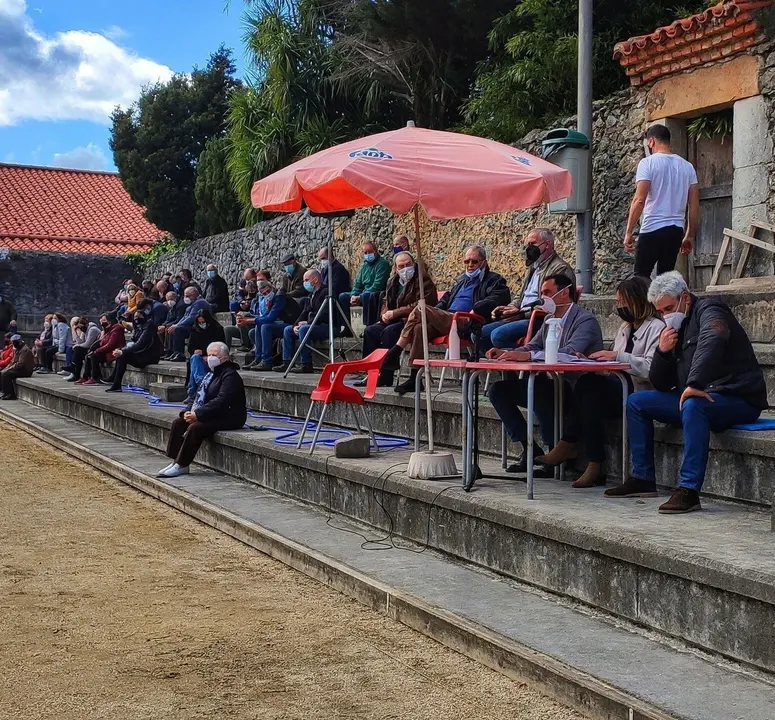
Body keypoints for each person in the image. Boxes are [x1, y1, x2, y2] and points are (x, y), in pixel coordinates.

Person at [605, 271, 767, 514]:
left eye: (669, 308)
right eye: (660, 311)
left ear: (685, 298)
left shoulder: (711, 309)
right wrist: (662, 351)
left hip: (736, 396)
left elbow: (713, 339)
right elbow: (660, 383)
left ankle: (688, 490)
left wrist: (695, 384)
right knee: (637, 402)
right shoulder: (674, 327)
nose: (665, 315)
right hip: (699, 394)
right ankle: (643, 478)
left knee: (693, 404)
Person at [537, 276, 665, 488]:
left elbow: (652, 369)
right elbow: (614, 361)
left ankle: (575, 448)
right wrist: (591, 361)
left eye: (623, 302)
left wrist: (616, 357)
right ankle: (590, 458)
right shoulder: (625, 328)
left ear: (638, 300)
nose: (619, 307)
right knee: (587, 386)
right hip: (620, 384)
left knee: (588, 387)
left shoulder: (657, 328)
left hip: (639, 391)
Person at [486, 274, 604, 474]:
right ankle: (528, 448)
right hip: (552, 382)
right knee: (498, 390)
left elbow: (569, 352)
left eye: (547, 293)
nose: (543, 298)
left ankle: (556, 452)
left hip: (577, 388)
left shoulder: (586, 321)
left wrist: (530, 355)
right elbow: (534, 345)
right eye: (541, 293)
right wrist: (508, 353)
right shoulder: (550, 319)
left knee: (541, 389)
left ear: (564, 293)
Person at [380, 245, 510, 395]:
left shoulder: (494, 280)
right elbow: (447, 298)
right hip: (448, 319)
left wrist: (477, 307)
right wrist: (439, 308)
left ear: (483, 262)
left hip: (467, 320)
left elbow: (500, 297)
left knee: (421, 307)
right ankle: (415, 377)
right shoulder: (461, 281)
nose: (470, 265)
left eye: (474, 262)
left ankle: (396, 350)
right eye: (466, 261)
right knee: (419, 328)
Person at [156, 341, 246, 479]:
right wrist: (187, 412)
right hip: (211, 413)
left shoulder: (230, 375)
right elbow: (196, 396)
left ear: (225, 357)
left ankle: (182, 464)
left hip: (229, 416)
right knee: (178, 423)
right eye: (208, 355)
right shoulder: (209, 375)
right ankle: (175, 460)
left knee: (196, 428)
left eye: (214, 355)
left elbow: (222, 400)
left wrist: (198, 414)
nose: (210, 358)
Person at [625, 124, 700, 278]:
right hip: (675, 231)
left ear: (651, 141)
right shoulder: (687, 167)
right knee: (665, 279)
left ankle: (642, 303)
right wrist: (689, 235)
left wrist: (628, 232)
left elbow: (639, 200)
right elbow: (694, 205)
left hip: (652, 227)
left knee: (641, 278)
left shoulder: (647, 163)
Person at [480, 229, 574, 350]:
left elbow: (552, 304)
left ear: (547, 245)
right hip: (523, 315)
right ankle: (495, 368)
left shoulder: (560, 269)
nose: (529, 249)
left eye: (532, 244)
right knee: (479, 334)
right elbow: (521, 296)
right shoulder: (533, 267)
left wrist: (520, 314)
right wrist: (509, 308)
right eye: (527, 245)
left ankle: (523, 361)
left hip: (540, 319)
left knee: (498, 335)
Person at [357, 252, 437, 388]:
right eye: (401, 266)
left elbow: (422, 304)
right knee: (370, 331)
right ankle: (371, 371)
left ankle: (387, 374)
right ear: (396, 268)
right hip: (394, 319)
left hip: (411, 320)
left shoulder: (423, 281)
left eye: (408, 264)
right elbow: (385, 301)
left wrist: (395, 313)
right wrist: (385, 314)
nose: (405, 268)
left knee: (390, 332)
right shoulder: (392, 281)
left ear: (414, 264)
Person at [273, 269, 336, 374]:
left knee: (304, 329)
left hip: (325, 326)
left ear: (315, 280)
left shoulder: (326, 292)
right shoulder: (311, 295)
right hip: (312, 325)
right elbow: (304, 312)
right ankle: (287, 362)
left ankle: (306, 363)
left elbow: (324, 314)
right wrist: (295, 325)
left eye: (306, 280)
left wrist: (308, 322)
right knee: (288, 330)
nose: (304, 283)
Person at [244, 280, 299, 371]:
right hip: (284, 322)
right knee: (259, 325)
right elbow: (266, 316)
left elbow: (270, 318)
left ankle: (266, 361)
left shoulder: (279, 296)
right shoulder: (271, 299)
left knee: (266, 327)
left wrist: (250, 320)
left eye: (268, 291)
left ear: (272, 288)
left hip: (292, 323)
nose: (267, 294)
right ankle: (258, 359)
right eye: (264, 293)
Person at [105, 310, 162, 392]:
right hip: (142, 353)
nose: (136, 319)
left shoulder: (149, 326)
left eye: (138, 317)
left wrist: (122, 352)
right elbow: (134, 340)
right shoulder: (139, 326)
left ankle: (116, 384)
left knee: (123, 355)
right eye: (135, 317)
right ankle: (114, 379)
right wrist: (121, 350)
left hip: (150, 356)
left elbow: (140, 344)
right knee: (121, 354)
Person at [338, 242, 391, 328]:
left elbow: (378, 285)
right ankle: (346, 327)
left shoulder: (383, 264)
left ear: (376, 251)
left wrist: (360, 297)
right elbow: (358, 284)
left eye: (369, 252)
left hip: (376, 293)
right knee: (343, 296)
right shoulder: (364, 266)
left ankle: (368, 326)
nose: (367, 255)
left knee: (366, 296)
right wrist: (353, 295)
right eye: (365, 253)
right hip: (363, 293)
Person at [185, 309, 227, 404]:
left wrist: (207, 354)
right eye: (199, 322)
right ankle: (200, 385)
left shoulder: (217, 329)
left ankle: (194, 391)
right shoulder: (194, 329)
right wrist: (195, 351)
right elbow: (190, 347)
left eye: (203, 322)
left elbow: (220, 345)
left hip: (213, 357)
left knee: (194, 363)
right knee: (194, 358)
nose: (201, 324)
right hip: (199, 357)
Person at [76, 313, 126, 386]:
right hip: (107, 351)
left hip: (113, 352)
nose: (102, 322)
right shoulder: (108, 329)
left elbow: (111, 345)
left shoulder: (117, 328)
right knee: (89, 355)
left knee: (94, 355)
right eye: (101, 320)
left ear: (110, 321)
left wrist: (98, 350)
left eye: (104, 320)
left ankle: (95, 378)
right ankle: (87, 376)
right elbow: (102, 342)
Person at [167, 286, 210, 362]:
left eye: (187, 296)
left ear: (194, 295)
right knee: (172, 328)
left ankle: (180, 354)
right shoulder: (193, 304)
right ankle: (174, 351)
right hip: (192, 325)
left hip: (199, 326)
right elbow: (184, 317)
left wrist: (177, 326)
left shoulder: (200, 303)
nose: (185, 298)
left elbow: (191, 317)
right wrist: (176, 324)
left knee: (178, 330)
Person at [65, 317, 100, 382]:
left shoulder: (92, 329)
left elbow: (87, 344)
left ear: (85, 324)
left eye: (80, 327)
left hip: (94, 349)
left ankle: (74, 368)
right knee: (77, 350)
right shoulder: (84, 330)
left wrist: (77, 346)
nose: (80, 329)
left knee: (78, 349)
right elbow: (80, 342)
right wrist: (75, 331)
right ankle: (76, 374)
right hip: (89, 349)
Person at [0, 334, 34, 400]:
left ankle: (11, 394)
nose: (13, 344)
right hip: (18, 369)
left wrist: (8, 369)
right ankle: (4, 392)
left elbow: (20, 364)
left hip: (25, 370)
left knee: (6, 375)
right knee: (2, 372)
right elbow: (13, 361)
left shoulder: (25, 350)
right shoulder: (17, 349)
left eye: (14, 342)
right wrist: (7, 368)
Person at [159, 291, 185, 358]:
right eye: (168, 300)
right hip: (172, 323)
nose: (170, 301)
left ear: (175, 297)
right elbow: (168, 319)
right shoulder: (171, 306)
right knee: (159, 331)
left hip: (179, 324)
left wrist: (165, 326)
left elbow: (179, 319)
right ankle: (163, 350)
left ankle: (170, 350)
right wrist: (162, 325)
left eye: (171, 299)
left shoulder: (180, 305)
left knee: (169, 329)